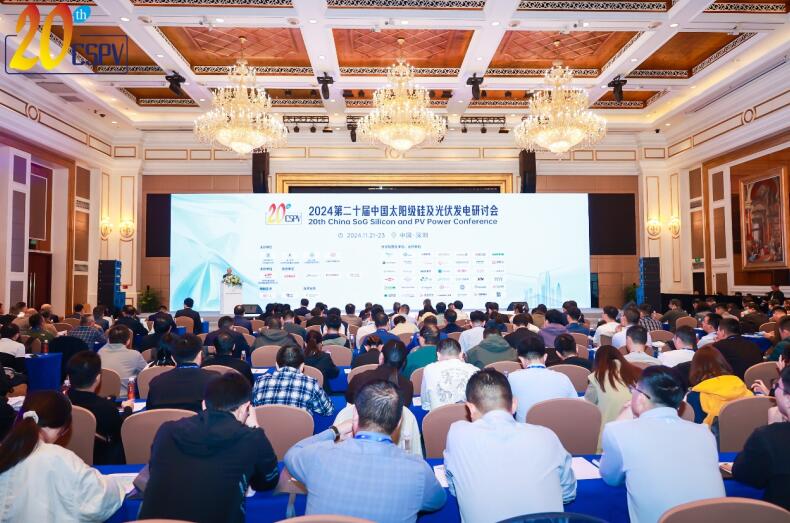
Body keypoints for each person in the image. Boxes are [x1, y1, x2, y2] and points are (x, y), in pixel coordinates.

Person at [285, 380, 446, 522]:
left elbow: (292, 453)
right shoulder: (418, 471)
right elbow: (438, 501)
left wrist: (334, 431)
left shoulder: (319, 455)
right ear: (399, 423)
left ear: (355, 415)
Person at [140, 372, 279, 523]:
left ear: (204, 405)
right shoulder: (251, 438)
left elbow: (154, 471)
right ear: (246, 408)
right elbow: (268, 481)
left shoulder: (166, 431)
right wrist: (255, 428)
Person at [445, 369, 576, 522]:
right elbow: (568, 494)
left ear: (470, 408)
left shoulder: (457, 433)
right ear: (514, 404)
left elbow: (454, 490)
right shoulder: (547, 436)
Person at [599, 366, 725, 523]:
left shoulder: (618, 432)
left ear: (641, 398)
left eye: (634, 390)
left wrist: (624, 417)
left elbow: (611, 478)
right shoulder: (705, 433)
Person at [0, 391, 125, 520]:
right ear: (63, 428)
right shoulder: (57, 457)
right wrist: (114, 484)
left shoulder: (6, 451)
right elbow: (100, 498)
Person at [733, 366, 790, 510]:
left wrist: (773, 429)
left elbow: (745, 475)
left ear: (788, 399)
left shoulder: (767, 438)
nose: (774, 390)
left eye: (777, 386)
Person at [66, 351, 134, 464]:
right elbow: (122, 431)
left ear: (69, 377)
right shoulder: (106, 409)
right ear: (98, 378)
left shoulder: (61, 403)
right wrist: (128, 409)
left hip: (69, 458)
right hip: (101, 460)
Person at [584, 345, 641, 451]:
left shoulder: (597, 377)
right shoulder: (636, 372)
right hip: (638, 434)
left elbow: (587, 405)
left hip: (609, 437)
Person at [508, 336, 578, 422]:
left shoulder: (511, 378)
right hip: (557, 429)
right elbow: (575, 406)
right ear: (545, 357)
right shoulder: (563, 378)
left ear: (521, 360)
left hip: (526, 428)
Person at [252, 345, 333, 416]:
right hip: (301, 429)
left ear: (276, 365)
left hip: (265, 429)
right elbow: (328, 410)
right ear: (302, 366)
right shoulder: (311, 384)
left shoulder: (260, 381)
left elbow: (253, 408)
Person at [147, 334, 219, 412]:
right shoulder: (215, 380)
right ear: (200, 355)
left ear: (173, 358)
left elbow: (150, 413)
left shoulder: (156, 383)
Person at [687, 346, 752, 426]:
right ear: (723, 363)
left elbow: (696, 427)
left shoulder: (694, 397)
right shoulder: (741, 386)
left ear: (695, 368)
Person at [346, 340, 413, 407]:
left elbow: (350, 401)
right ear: (404, 363)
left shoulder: (359, 378)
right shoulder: (408, 386)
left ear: (381, 357)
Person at [420, 338, 478, 412]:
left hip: (438, 417)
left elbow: (425, 403)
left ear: (438, 355)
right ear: (461, 354)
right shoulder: (475, 370)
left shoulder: (429, 369)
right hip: (469, 417)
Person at [97, 325, 147, 397]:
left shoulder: (100, 352)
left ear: (108, 340)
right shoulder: (134, 355)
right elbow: (146, 373)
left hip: (101, 397)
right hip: (125, 397)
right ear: (128, 341)